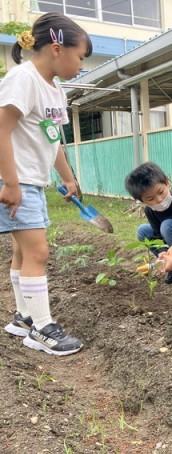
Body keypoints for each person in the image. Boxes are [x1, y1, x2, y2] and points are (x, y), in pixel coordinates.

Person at [0, 13, 92, 355]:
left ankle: (24, 317)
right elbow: (1, 130)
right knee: (38, 252)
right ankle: (41, 328)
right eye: (80, 57)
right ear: (57, 48)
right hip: (15, 178)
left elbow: (52, 138)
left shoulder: (55, 90)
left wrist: (68, 176)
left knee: (23, 251)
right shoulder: (22, 79)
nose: (81, 65)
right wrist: (10, 183)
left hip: (31, 180)